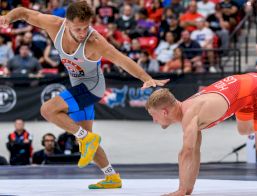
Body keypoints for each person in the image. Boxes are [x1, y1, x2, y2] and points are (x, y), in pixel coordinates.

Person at [0, 1, 169, 189]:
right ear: (67, 22)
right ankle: (111, 177)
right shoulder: (54, 25)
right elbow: (23, 12)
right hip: (78, 85)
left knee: (47, 110)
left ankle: (85, 138)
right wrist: (8, 18)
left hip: (92, 88)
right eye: (78, 29)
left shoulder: (95, 41)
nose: (83, 33)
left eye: (86, 27)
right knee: (87, 138)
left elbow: (122, 60)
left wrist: (145, 77)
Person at [145, 73, 257, 195]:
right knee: (244, 130)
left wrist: (181, 190)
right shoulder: (188, 113)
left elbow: (186, 153)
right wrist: (187, 189)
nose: (154, 121)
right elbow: (194, 152)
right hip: (247, 88)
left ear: (165, 111)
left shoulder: (190, 115)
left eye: (153, 115)